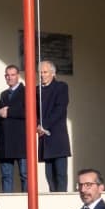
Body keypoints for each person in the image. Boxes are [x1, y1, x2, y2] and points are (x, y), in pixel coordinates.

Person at [35, 60, 71, 192]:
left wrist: (43, 125)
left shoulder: (61, 87)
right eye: (40, 72)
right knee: (49, 176)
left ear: (53, 73)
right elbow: (33, 111)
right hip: (45, 139)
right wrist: (37, 125)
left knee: (60, 175)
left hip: (57, 137)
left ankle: (62, 200)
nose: (42, 75)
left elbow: (60, 109)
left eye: (45, 72)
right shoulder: (36, 90)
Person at [0, 66, 29, 193]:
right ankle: (6, 201)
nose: (10, 77)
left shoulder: (26, 91)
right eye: (7, 75)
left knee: (25, 175)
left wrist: (9, 112)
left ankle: (27, 199)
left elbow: (28, 111)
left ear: (18, 75)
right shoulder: (3, 94)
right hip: (6, 141)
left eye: (12, 75)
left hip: (21, 140)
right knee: (6, 175)